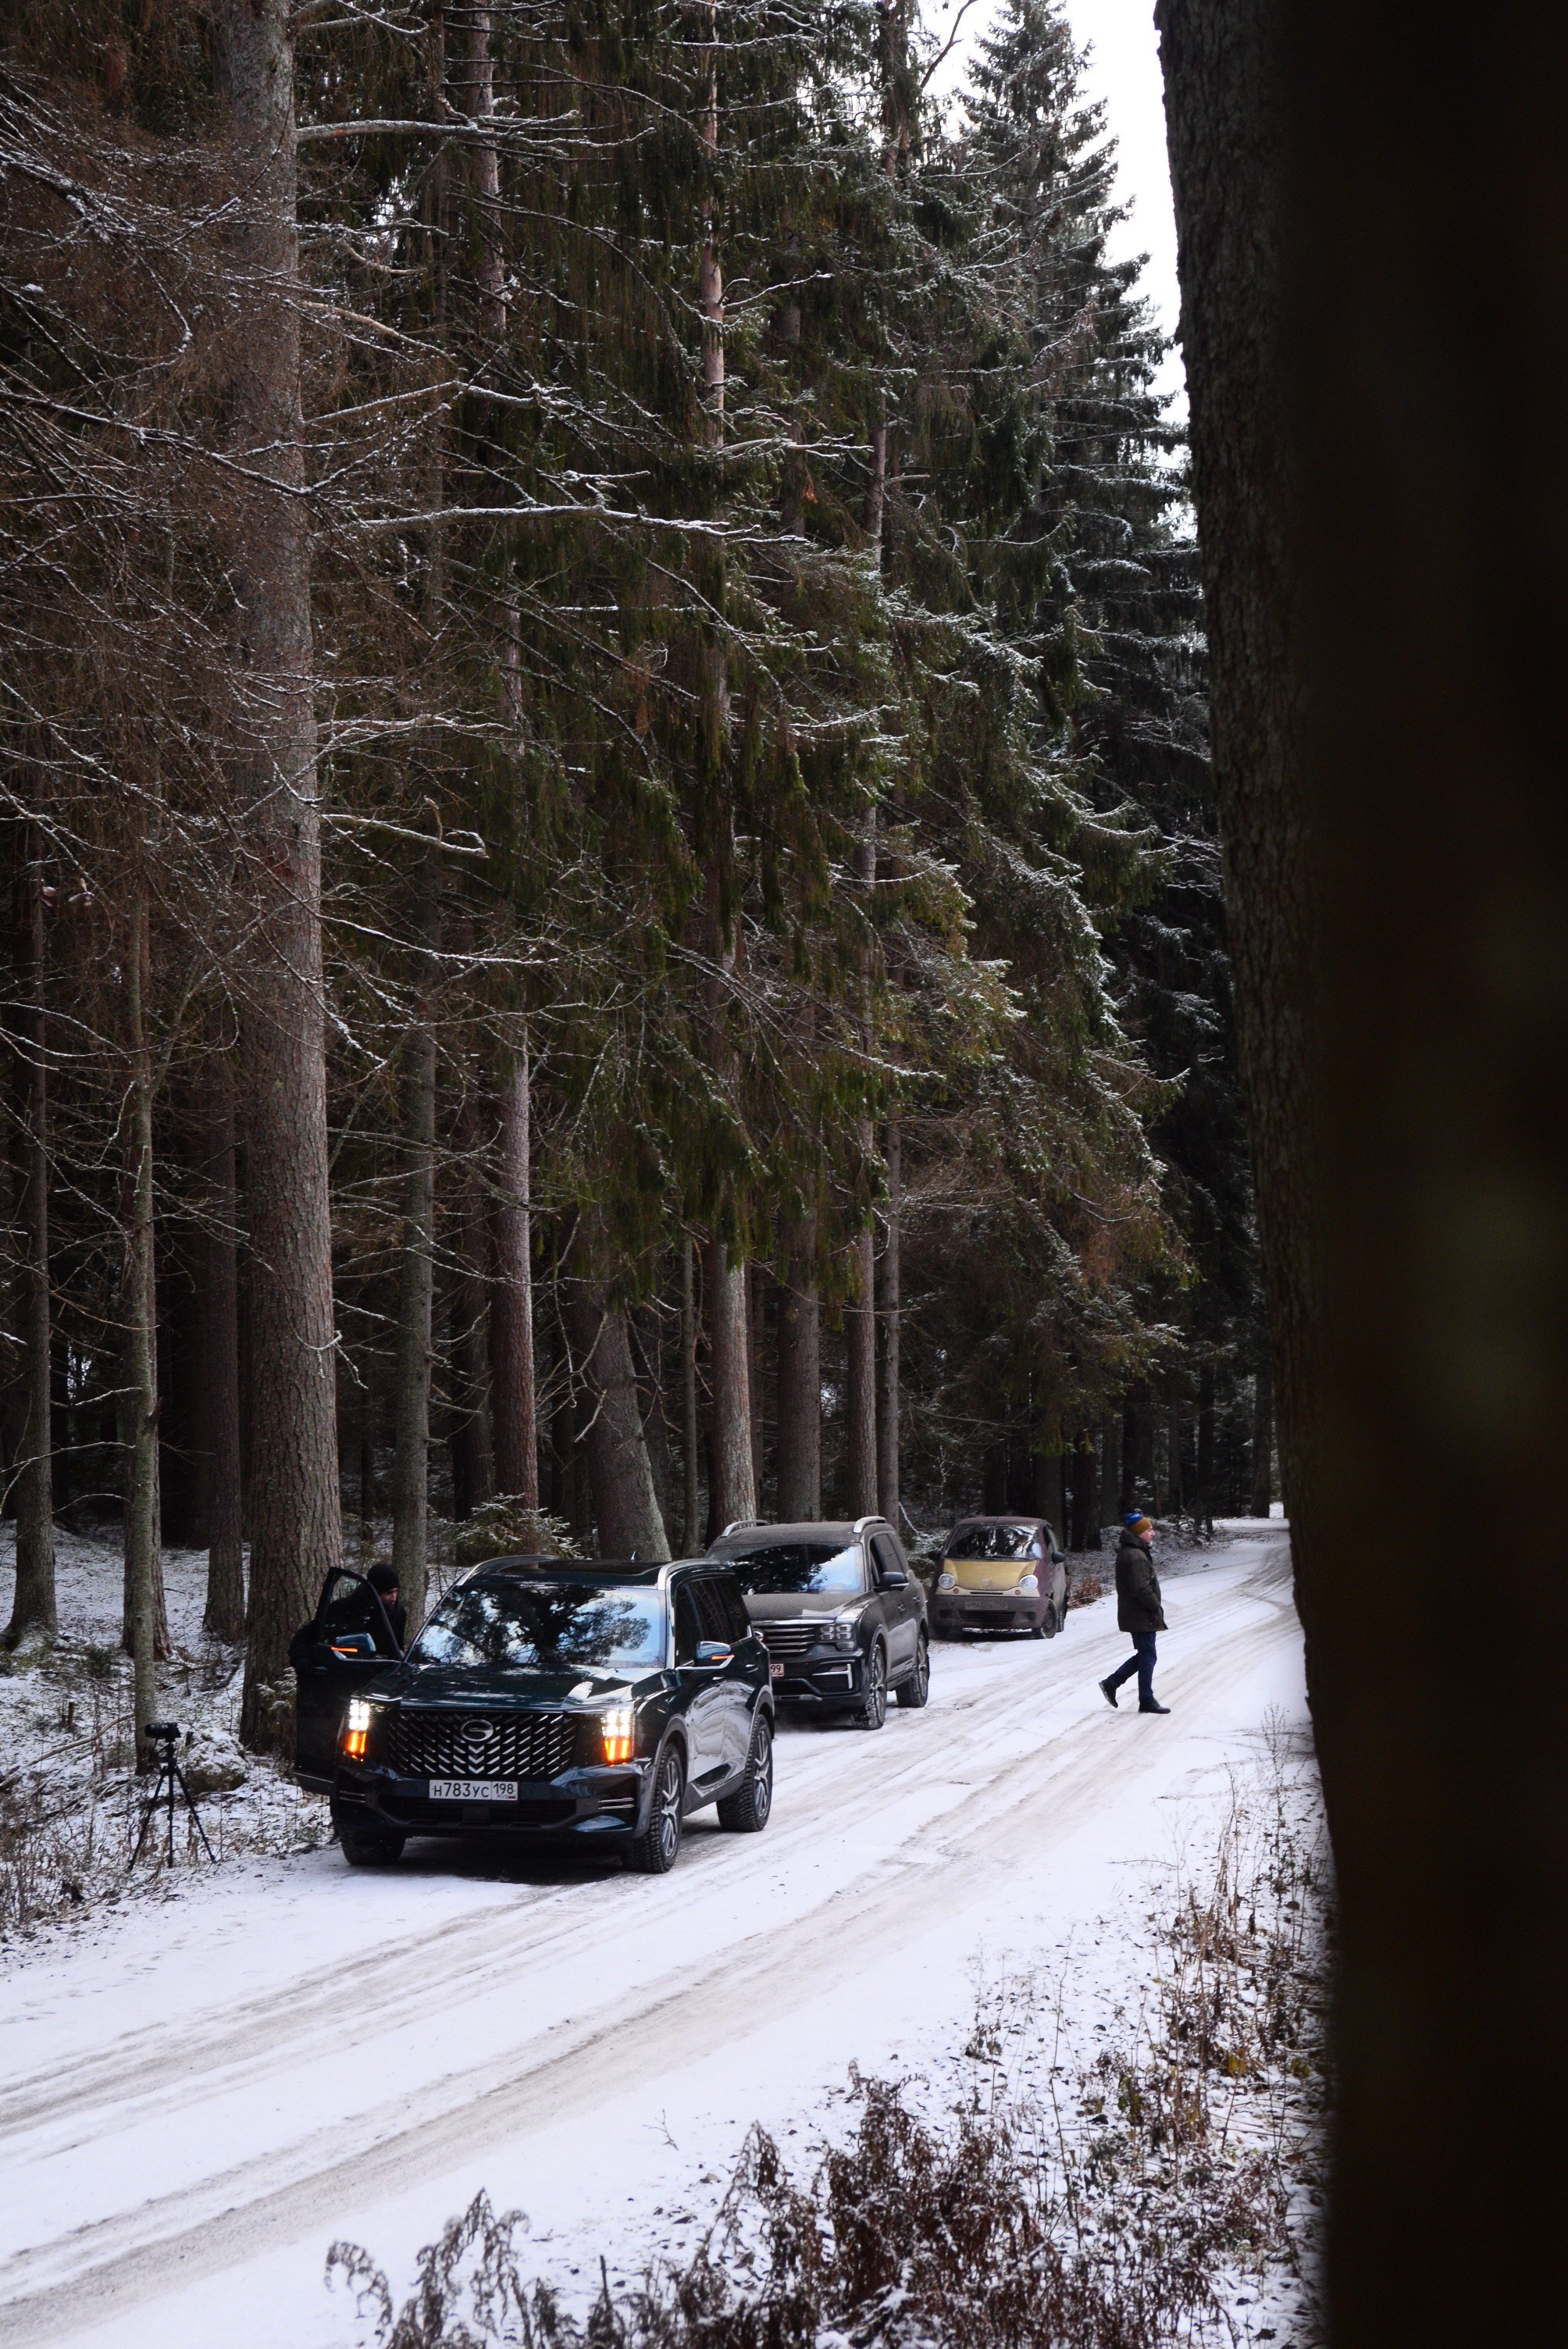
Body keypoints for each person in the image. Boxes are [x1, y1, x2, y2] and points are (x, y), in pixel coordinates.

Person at [1099, 1513, 1170, 1714]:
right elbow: (1140, 1588)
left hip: (1136, 1613)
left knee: (1146, 1655)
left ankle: (1112, 1683)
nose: (1152, 1533)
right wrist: (1155, 1606)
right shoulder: (1136, 1556)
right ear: (1139, 1533)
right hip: (1141, 1613)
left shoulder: (1132, 1552)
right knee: (1148, 1655)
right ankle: (1145, 1699)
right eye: (1148, 1530)